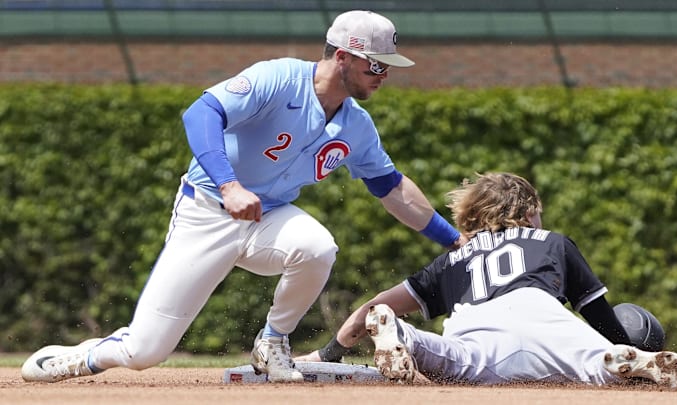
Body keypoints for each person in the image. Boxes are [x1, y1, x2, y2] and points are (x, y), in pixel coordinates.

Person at [21, 10, 467, 384]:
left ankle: (273, 342)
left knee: (317, 248)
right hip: (207, 212)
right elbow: (201, 113)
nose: (384, 74)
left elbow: (392, 188)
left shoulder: (356, 126)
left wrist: (452, 241)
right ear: (344, 57)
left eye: (387, 66)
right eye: (376, 64)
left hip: (266, 219)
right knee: (145, 352)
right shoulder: (279, 78)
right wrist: (228, 184)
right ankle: (88, 355)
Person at [297, 172, 677, 389]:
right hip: (542, 313)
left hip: (475, 326)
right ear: (528, 214)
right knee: (594, 363)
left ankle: (405, 336)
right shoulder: (552, 242)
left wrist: (327, 355)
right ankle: (625, 364)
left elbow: (366, 310)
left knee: (446, 362)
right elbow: (597, 313)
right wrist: (622, 342)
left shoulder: (452, 259)